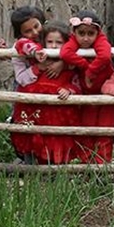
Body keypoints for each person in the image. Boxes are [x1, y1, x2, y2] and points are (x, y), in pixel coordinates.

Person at [11, 22, 79, 164]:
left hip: (57, 114)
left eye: (59, 42)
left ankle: (55, 168)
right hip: (32, 108)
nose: (53, 46)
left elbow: (77, 83)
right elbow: (21, 44)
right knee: (31, 135)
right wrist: (38, 60)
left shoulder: (70, 63)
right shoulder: (38, 56)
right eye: (49, 41)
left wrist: (69, 91)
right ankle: (30, 166)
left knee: (55, 138)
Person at [60, 11, 114, 163]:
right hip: (86, 95)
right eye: (81, 33)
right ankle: (86, 164)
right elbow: (65, 53)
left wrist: (90, 71)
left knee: (105, 129)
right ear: (74, 32)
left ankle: (102, 164)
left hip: (106, 94)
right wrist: (84, 65)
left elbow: (104, 56)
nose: (85, 38)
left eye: (90, 33)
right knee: (86, 128)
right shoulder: (74, 41)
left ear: (98, 32)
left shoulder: (101, 40)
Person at [9, 6, 46, 91]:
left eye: (36, 26)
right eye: (28, 31)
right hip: (29, 91)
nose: (35, 32)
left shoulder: (51, 38)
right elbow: (21, 78)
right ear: (20, 33)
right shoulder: (17, 49)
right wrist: (38, 67)